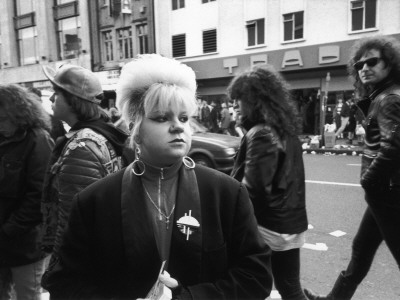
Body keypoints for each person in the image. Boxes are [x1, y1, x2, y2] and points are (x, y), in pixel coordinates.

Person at [41, 54, 272, 299]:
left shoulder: (226, 192)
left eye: (184, 118)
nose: (178, 126)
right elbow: (64, 282)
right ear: (134, 129)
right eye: (162, 118)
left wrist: (191, 297)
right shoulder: (93, 200)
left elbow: (256, 276)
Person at [304, 35, 400, 300]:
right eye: (359, 65)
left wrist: (369, 180)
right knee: (361, 249)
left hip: (389, 196)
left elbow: (394, 146)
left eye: (372, 62)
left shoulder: (388, 100)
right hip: (384, 196)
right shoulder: (383, 96)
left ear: (389, 64)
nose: (364, 68)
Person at [228, 64, 309, 300]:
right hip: (291, 223)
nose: (234, 105)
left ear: (255, 99)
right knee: (290, 287)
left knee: (244, 283)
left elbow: (253, 191)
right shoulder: (283, 129)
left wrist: (233, 223)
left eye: (238, 99)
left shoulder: (261, 133)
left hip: (269, 226)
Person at [40, 64, 129, 259]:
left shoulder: (81, 146)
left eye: (57, 92)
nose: (51, 98)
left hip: (82, 259)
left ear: (74, 101)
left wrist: (57, 268)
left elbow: (71, 220)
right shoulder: (100, 133)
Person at [0, 84, 54, 299]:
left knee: (28, 295)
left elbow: (39, 195)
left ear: (19, 115)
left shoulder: (37, 140)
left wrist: (8, 230)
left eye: (3, 119)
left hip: (25, 243)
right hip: (6, 238)